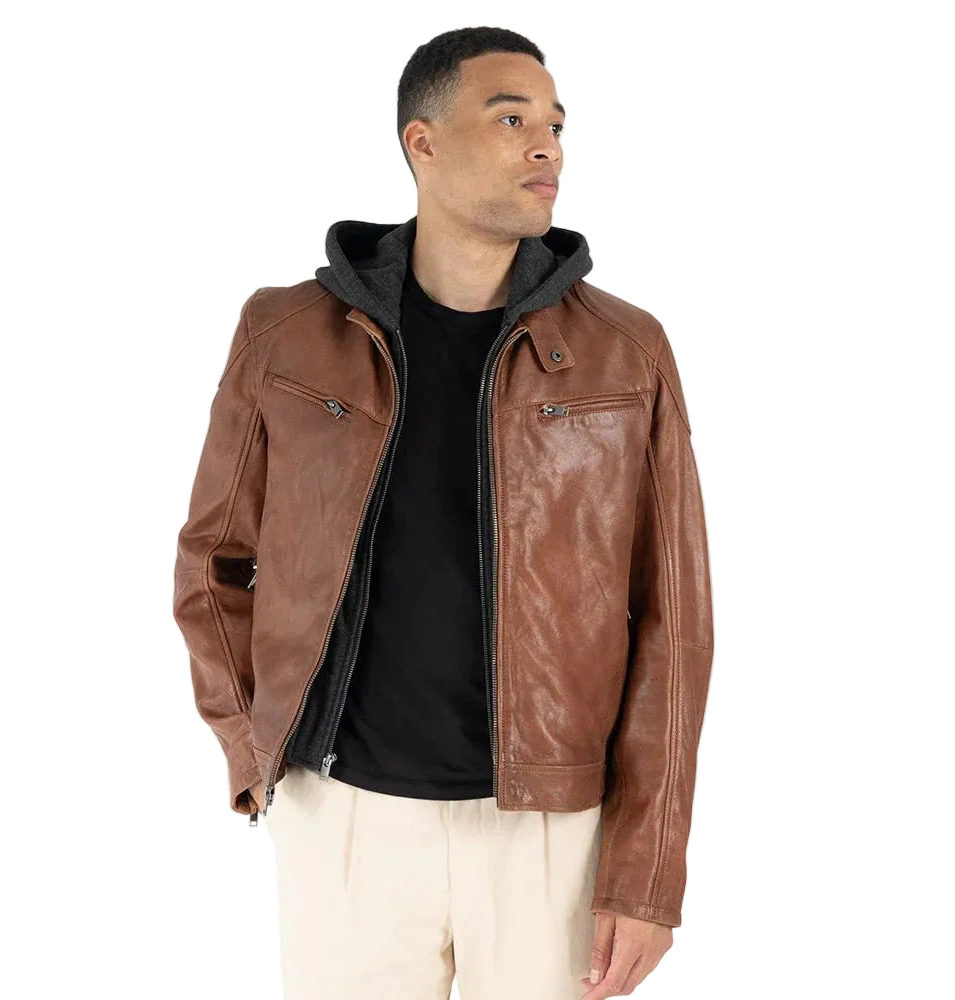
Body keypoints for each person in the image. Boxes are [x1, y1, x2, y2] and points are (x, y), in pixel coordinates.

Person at [172, 25, 714, 1000]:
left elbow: (675, 626)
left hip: (550, 830)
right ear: (420, 143)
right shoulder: (287, 334)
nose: (546, 146)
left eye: (556, 125)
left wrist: (646, 871)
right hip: (344, 818)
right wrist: (257, 751)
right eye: (511, 120)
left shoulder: (626, 353)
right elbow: (214, 562)